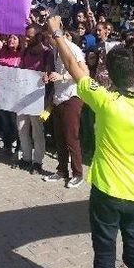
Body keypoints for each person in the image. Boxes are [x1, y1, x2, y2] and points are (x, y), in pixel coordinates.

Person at [47, 15, 134, 268]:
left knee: (105, 251)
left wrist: (57, 33)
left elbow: (74, 66)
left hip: (107, 191)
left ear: (110, 76)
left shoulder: (107, 102)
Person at [43, 22, 89, 189]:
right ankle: (62, 170)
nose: (46, 40)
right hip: (58, 98)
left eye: (48, 36)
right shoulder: (54, 51)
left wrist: (62, 77)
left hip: (72, 97)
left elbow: (85, 73)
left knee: (72, 137)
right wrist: (48, 77)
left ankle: (78, 174)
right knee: (59, 137)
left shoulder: (72, 48)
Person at [17, 24, 53, 174]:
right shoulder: (25, 52)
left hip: (38, 98)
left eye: (30, 36)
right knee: (22, 128)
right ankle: (26, 157)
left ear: (38, 37)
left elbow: (49, 74)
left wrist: (46, 77)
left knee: (37, 131)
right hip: (23, 96)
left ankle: (37, 161)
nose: (26, 38)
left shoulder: (47, 54)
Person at [0, 34, 22, 154]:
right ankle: (7, 144)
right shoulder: (2, 52)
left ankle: (19, 145)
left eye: (15, 38)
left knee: (14, 121)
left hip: (15, 94)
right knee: (5, 121)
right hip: (2, 92)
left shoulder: (22, 54)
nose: (11, 40)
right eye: (10, 38)